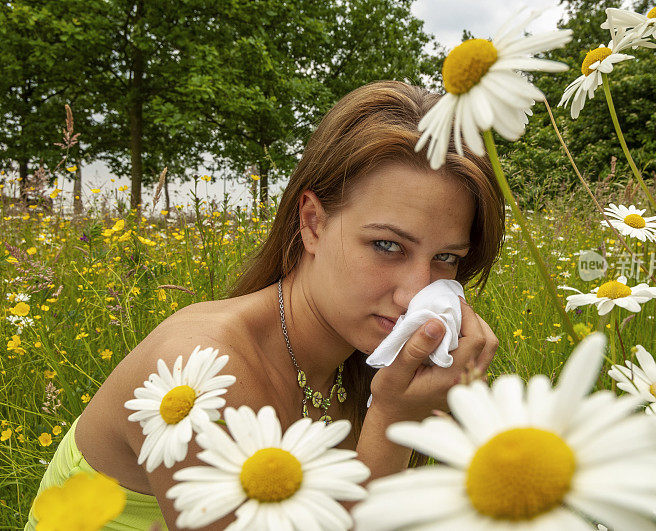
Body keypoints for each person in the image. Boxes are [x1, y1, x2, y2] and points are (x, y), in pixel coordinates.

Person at [25, 80, 505, 530]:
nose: (414, 295)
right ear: (313, 222)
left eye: (446, 258)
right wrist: (395, 421)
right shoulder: (199, 378)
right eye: (387, 245)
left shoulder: (361, 365)